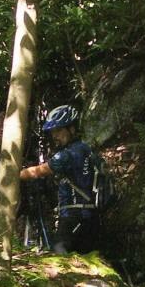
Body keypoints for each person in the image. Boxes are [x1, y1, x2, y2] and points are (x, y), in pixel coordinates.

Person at [19, 105, 100, 254]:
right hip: (90, 216)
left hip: (74, 217)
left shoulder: (68, 154)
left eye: (58, 130)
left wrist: (15, 174)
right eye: (53, 132)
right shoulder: (85, 149)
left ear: (72, 129)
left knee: (60, 259)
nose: (55, 136)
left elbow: (38, 171)